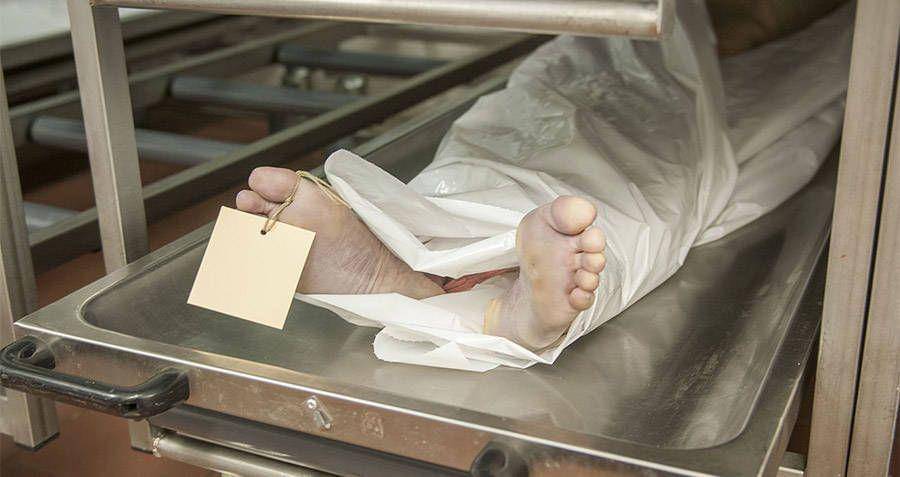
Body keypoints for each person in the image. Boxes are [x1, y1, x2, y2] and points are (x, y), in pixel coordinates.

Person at [233, 0, 851, 366]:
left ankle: (444, 264)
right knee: (535, 137)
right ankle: (435, 268)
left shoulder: (832, 31)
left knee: (629, 174)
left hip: (688, 76)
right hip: (610, 45)